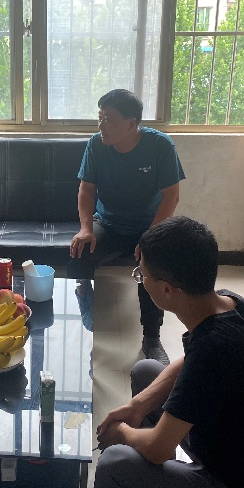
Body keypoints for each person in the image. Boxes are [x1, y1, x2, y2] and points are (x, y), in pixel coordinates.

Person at [94, 217, 244, 488]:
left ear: (166, 289)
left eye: (142, 275)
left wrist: (119, 432)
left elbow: (158, 448)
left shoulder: (214, 349)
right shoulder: (230, 304)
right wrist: (137, 407)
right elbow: (191, 360)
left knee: (114, 465)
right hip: (240, 461)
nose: (141, 281)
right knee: (147, 372)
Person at [69, 89, 184, 365]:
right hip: (108, 222)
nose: (101, 125)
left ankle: (152, 337)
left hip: (148, 225)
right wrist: (86, 228)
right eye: (99, 117)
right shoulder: (96, 145)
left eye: (108, 119)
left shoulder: (160, 146)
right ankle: (85, 301)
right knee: (79, 251)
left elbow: (171, 196)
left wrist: (150, 236)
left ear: (132, 123)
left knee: (153, 263)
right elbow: (86, 189)